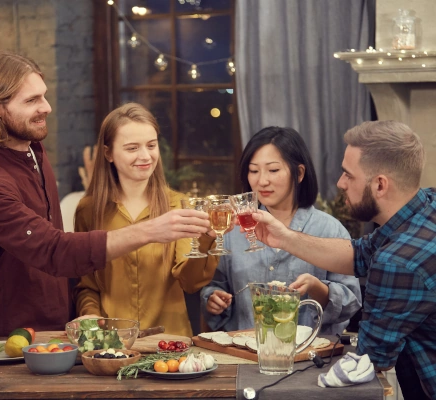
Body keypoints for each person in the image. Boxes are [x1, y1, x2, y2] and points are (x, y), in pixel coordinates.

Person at [0, 51, 210, 337]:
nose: (47, 107)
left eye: (43, 95)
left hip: (58, 332)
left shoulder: (33, 150)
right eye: (31, 101)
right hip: (12, 340)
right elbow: (55, 250)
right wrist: (151, 230)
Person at [249, 121, 435, 400]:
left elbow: (371, 360)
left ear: (380, 184)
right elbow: (358, 254)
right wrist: (284, 237)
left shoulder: (398, 262)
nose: (340, 183)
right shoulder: (423, 208)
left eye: (349, 175)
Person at [73, 103, 219, 337]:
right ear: (108, 153)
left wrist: (206, 239)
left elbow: (191, 283)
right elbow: (87, 285)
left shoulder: (179, 205)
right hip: (112, 342)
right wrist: (90, 313)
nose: (145, 156)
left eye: (151, 145)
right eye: (132, 148)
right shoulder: (88, 211)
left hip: (170, 342)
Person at [201, 127, 362, 335]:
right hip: (246, 355)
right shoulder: (235, 229)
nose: (262, 181)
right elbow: (215, 284)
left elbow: (352, 301)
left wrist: (317, 288)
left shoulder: (328, 229)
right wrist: (214, 297)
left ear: (300, 173)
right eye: (253, 171)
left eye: (273, 170)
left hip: (309, 359)